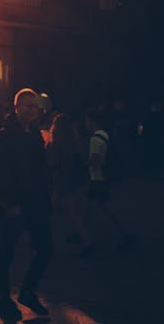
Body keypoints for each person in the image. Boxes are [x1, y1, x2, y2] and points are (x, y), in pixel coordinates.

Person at [0, 89, 53, 320]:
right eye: (27, 106)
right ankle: (3, 296)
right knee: (6, 250)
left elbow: (39, 169)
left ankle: (28, 290)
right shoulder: (6, 135)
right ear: (17, 108)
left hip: (35, 201)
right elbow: (1, 171)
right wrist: (8, 202)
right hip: (15, 202)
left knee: (46, 247)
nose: (32, 110)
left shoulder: (35, 135)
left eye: (34, 106)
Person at [83, 107, 134, 252]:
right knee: (94, 206)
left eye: (87, 121)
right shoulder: (105, 135)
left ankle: (122, 234)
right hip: (102, 177)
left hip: (96, 178)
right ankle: (84, 232)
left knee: (101, 207)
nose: (85, 123)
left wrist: (85, 164)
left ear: (91, 122)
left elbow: (95, 160)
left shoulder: (94, 139)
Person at [48, 112, 92, 254]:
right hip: (70, 179)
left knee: (68, 211)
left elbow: (52, 162)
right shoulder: (73, 140)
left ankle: (86, 239)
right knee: (59, 208)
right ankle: (75, 234)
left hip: (60, 179)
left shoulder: (56, 142)